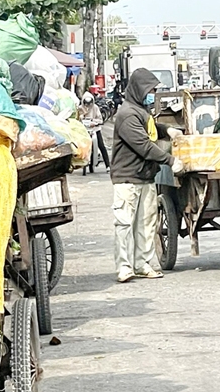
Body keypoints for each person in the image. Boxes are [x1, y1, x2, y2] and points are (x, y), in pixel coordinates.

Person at [111, 68, 185, 283]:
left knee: (146, 224)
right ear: (138, 89)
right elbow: (143, 145)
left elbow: (150, 129)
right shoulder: (126, 115)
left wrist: (167, 130)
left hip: (146, 177)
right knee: (124, 224)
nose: (152, 93)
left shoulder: (142, 111)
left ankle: (142, 264)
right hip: (127, 178)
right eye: (150, 90)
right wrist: (171, 161)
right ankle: (124, 267)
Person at [78, 92, 111, 173]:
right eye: (86, 103)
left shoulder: (95, 108)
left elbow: (100, 119)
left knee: (101, 146)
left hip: (95, 129)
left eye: (89, 103)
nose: (88, 105)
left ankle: (108, 165)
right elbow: (77, 120)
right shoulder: (80, 108)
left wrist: (94, 122)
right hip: (84, 130)